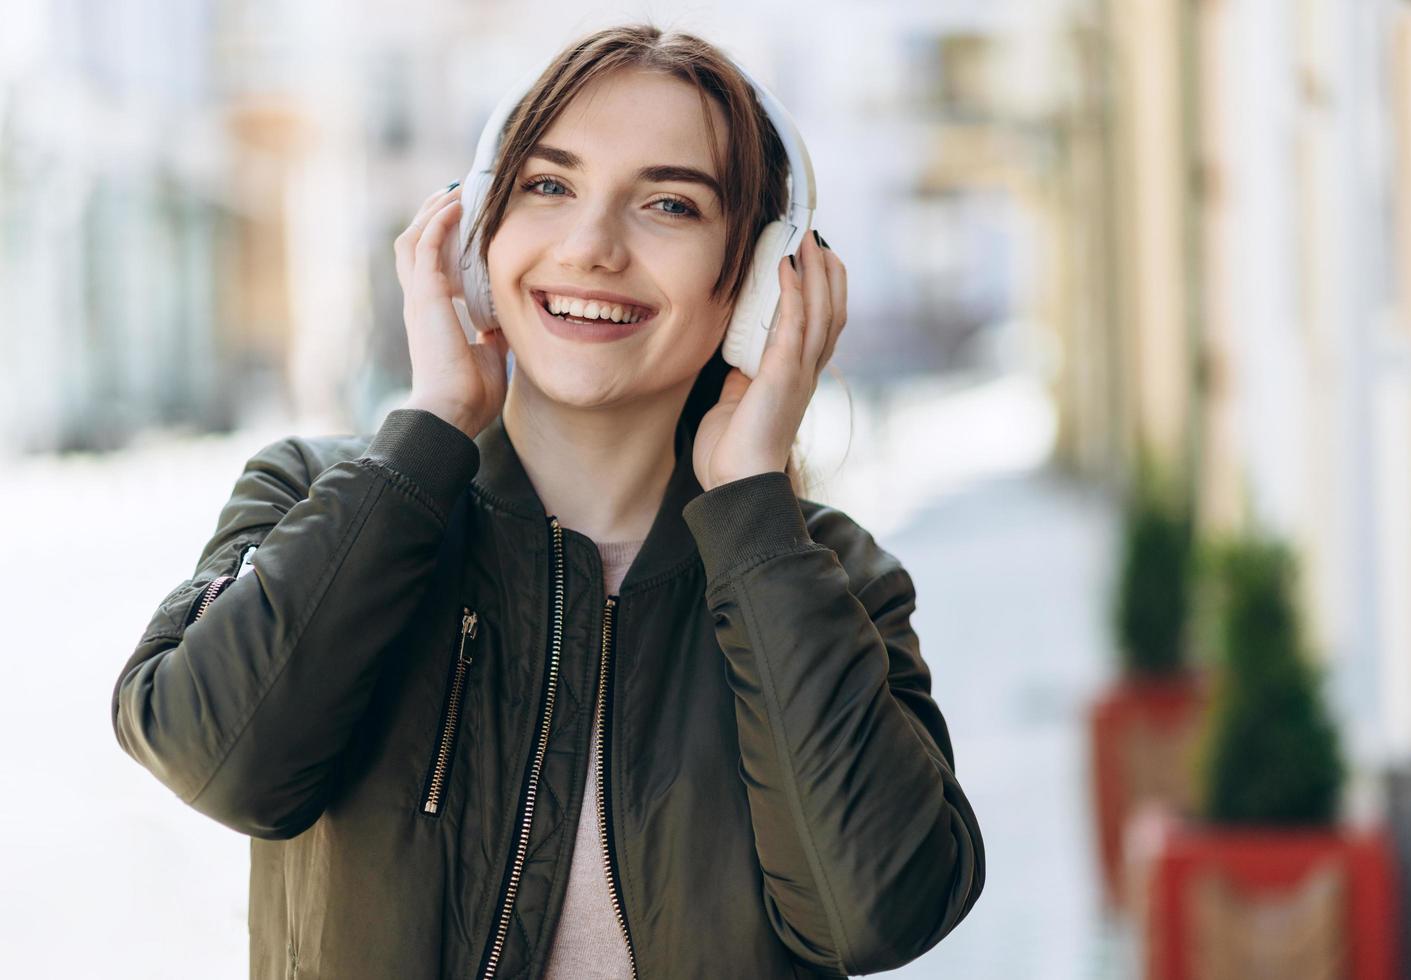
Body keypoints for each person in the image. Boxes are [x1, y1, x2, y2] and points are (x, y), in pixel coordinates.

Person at [112, 23, 984, 980]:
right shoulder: (322, 497)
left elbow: (873, 912)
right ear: (479, 233)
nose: (591, 246)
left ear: (759, 284)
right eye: (548, 185)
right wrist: (430, 431)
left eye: (668, 204)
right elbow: (214, 756)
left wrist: (752, 516)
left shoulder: (824, 574)